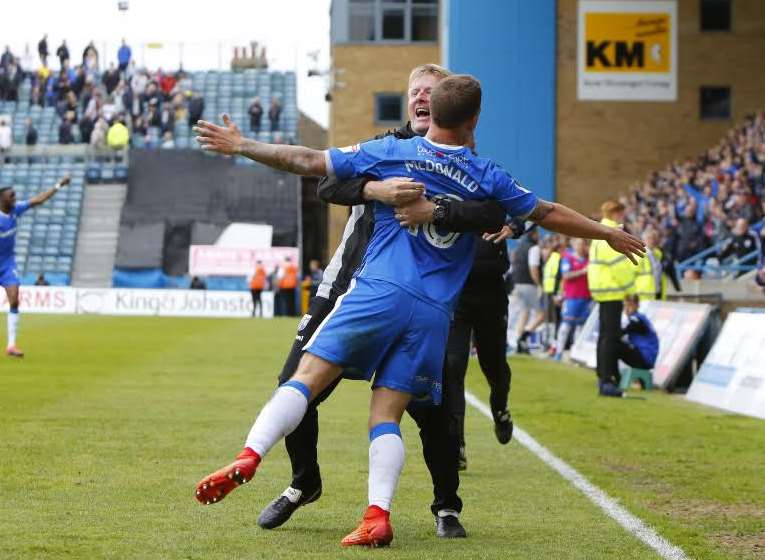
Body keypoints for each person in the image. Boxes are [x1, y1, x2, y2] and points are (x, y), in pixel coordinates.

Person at [192, 74, 643, 547]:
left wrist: (242, 145)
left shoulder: (392, 154)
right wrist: (605, 231)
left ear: (430, 114)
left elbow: (308, 161)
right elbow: (545, 212)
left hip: (380, 291)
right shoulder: (489, 176)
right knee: (385, 416)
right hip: (434, 314)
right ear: (473, 121)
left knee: (303, 380)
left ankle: (250, 455)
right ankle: (376, 515)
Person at [251, 64, 507, 540]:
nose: (421, 99)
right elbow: (326, 182)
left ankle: (446, 506)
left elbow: (492, 210)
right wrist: (376, 189)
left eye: (430, 92)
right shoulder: (385, 148)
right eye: (414, 92)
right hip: (346, 286)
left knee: (437, 407)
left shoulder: (466, 164)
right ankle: (302, 483)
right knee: (293, 383)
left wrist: (441, 209)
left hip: (420, 301)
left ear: (446, 102)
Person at [444, 234, 515, 472]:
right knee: (452, 367)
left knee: (493, 365)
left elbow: (527, 209)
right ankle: (456, 445)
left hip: (491, 294)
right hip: (456, 294)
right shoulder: (445, 198)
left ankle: (500, 408)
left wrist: (514, 225)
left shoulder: (494, 199)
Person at [1, 175, 70, 357]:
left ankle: (11, 345)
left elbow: (39, 199)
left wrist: (59, 184)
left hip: (7, 264)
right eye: (12, 196)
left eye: (15, 195)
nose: (15, 198)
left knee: (14, 299)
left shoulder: (16, 210)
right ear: (2, 199)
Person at [588, 200, 639, 398]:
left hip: (602, 289)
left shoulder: (599, 231)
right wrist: (630, 290)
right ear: (616, 213)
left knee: (605, 336)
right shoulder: (611, 232)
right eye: (622, 213)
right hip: (612, 290)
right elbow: (619, 265)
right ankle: (607, 381)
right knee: (611, 337)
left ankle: (605, 375)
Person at [554, 238, 591, 361]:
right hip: (571, 297)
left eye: (583, 244)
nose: (581, 246)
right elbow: (566, 275)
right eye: (579, 244)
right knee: (566, 325)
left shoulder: (589, 259)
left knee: (580, 327)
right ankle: (558, 352)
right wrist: (583, 271)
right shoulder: (568, 258)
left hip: (586, 298)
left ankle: (575, 354)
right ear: (574, 245)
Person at [511, 227, 545, 353]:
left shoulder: (519, 246)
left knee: (524, 313)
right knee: (541, 315)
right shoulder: (534, 248)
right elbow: (533, 269)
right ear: (533, 234)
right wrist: (539, 284)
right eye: (537, 233)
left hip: (518, 283)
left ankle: (519, 343)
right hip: (529, 284)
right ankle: (524, 336)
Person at [635, 228, 680, 300]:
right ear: (643, 240)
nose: (652, 240)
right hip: (644, 293)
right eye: (649, 238)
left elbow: (669, 271)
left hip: (658, 291)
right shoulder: (638, 254)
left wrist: (677, 287)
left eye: (654, 238)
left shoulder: (659, 254)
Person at [618, 295, 659, 373]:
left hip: (645, 358)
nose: (627, 309)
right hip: (645, 358)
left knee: (613, 345)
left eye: (630, 305)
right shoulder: (640, 318)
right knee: (614, 344)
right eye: (625, 306)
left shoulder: (637, 318)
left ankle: (611, 376)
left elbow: (626, 330)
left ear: (637, 306)